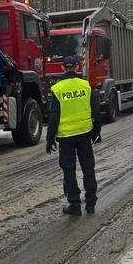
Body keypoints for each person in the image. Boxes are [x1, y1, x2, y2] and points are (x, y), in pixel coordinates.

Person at [46, 55, 102, 216]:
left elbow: (54, 116)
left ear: (63, 68)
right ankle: (90, 203)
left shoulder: (58, 89)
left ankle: (74, 205)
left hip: (66, 137)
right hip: (85, 134)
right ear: (77, 67)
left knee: (69, 170)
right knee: (88, 168)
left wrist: (50, 139)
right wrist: (97, 132)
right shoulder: (86, 86)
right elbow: (96, 111)